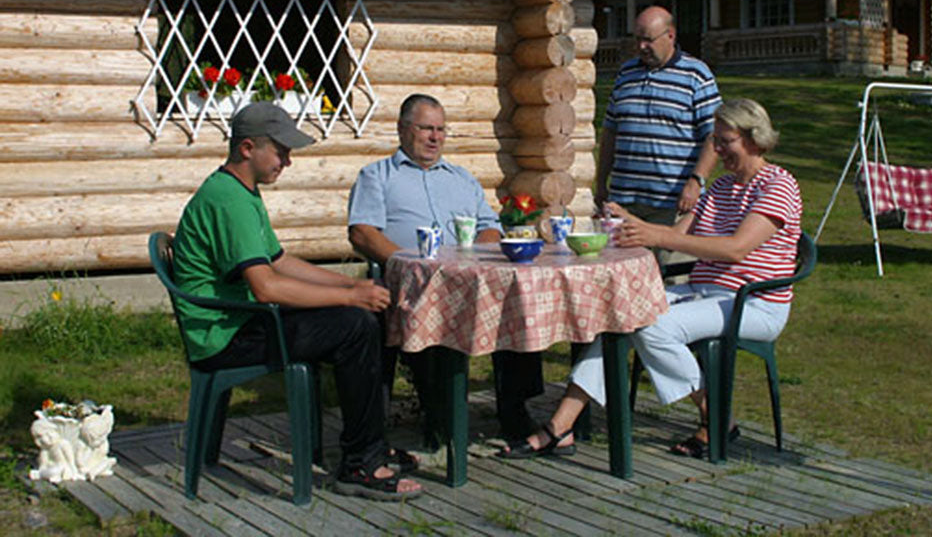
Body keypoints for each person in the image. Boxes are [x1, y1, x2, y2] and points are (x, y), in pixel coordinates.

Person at [502, 99, 802, 460]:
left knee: (651, 325)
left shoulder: (778, 185)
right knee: (618, 317)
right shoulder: (722, 188)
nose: (717, 150)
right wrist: (629, 221)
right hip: (705, 293)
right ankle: (560, 427)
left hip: (753, 302)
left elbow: (737, 249)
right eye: (716, 141)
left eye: (726, 142)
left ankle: (718, 418)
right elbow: (677, 234)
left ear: (754, 139)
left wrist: (657, 236)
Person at [172, 102, 421, 501]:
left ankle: (368, 441)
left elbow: (279, 261)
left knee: (360, 314)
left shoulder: (239, 191)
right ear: (248, 148)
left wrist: (350, 287)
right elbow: (267, 287)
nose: (287, 161)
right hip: (224, 337)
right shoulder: (229, 201)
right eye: (281, 151)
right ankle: (361, 463)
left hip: (236, 321)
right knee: (355, 327)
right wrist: (348, 296)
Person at [348, 93, 545, 445]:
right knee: (418, 310)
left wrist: (474, 253)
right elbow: (362, 232)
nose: (435, 137)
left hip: (467, 280)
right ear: (403, 130)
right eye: (426, 128)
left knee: (518, 303)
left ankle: (515, 410)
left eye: (441, 130)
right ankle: (437, 414)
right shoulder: (377, 176)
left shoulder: (461, 178)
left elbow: (489, 225)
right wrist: (404, 265)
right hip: (407, 283)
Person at [595, 5, 721, 239]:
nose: (641, 47)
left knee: (671, 273)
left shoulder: (697, 75)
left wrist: (696, 181)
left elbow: (714, 135)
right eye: (638, 39)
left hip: (673, 204)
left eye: (648, 40)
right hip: (624, 201)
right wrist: (601, 182)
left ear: (670, 35)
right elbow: (611, 131)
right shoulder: (625, 74)